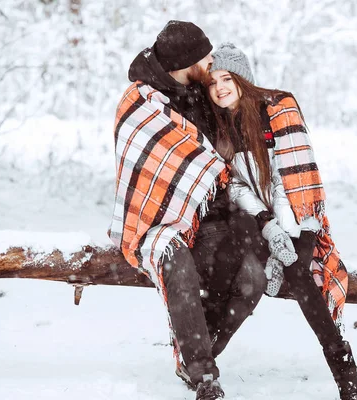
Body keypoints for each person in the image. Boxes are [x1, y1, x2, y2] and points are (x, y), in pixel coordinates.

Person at [109, 23, 266, 400]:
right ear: (186, 61)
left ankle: (197, 347)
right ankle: (203, 374)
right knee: (175, 261)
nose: (210, 62)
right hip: (160, 222)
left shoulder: (203, 92)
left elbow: (233, 132)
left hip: (212, 217)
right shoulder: (142, 102)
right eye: (205, 57)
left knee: (253, 279)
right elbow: (142, 163)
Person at [206, 43, 357, 400]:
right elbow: (233, 184)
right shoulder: (219, 127)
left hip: (300, 216)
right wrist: (268, 226)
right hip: (260, 221)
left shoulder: (275, 113)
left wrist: (286, 235)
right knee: (250, 272)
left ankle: (345, 373)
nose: (220, 87)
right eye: (213, 81)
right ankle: (203, 357)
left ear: (243, 80)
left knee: (300, 275)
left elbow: (288, 180)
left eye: (227, 78)